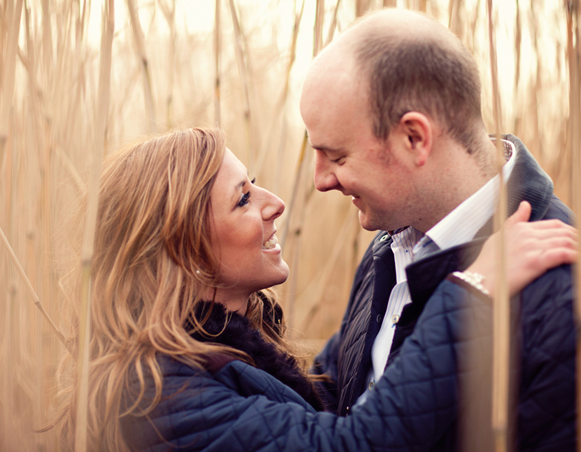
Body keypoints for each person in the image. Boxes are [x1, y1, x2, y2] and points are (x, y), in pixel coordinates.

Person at [53, 128, 576, 452]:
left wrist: (391, 279)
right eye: (242, 199)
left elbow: (328, 393)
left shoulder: (224, 350)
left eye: (254, 182)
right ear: (184, 251)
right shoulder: (158, 396)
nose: (275, 202)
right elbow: (354, 443)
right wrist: (472, 293)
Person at [301, 8, 577, 450]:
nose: (321, 180)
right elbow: (338, 408)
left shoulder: (562, 297)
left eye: (336, 157)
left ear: (414, 138)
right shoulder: (387, 250)